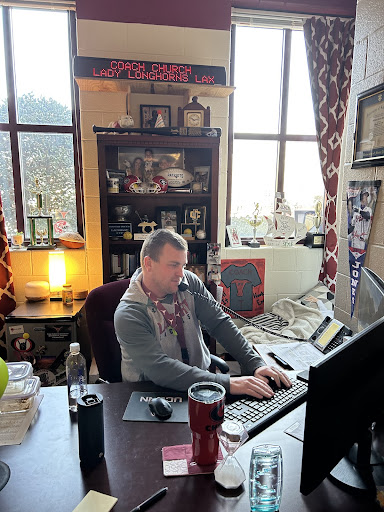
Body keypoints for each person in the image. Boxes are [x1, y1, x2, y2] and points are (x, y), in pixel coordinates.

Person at [114, 229, 291, 398]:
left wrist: (255, 363)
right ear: (148, 263)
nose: (181, 274)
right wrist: (229, 383)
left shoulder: (188, 282)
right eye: (173, 265)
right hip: (153, 394)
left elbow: (219, 323)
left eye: (183, 265)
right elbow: (160, 369)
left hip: (201, 385)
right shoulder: (130, 313)